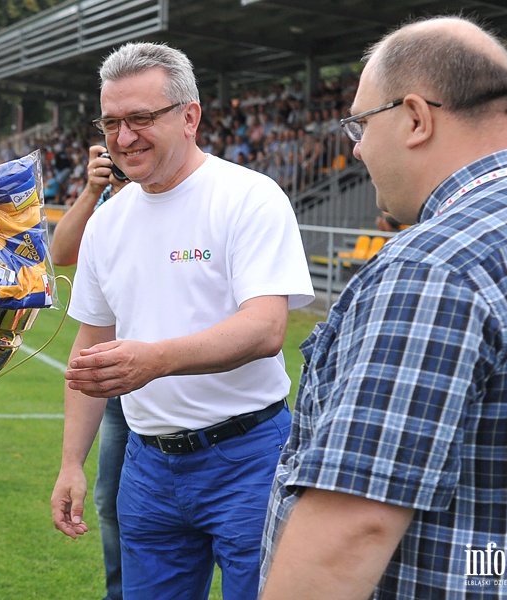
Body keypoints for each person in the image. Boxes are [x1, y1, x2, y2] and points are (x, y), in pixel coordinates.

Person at [260, 16, 507, 599]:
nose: (356, 146)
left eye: (360, 122)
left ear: (415, 118)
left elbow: (351, 531)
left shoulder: (434, 266)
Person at [50, 42, 314, 599]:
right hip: (148, 465)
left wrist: (155, 360)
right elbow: (90, 346)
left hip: (249, 456)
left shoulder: (248, 197)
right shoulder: (106, 222)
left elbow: (266, 328)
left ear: (189, 116)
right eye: (112, 122)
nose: (124, 138)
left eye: (142, 119)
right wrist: (72, 463)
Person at [49, 144, 130, 600]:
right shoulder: (106, 208)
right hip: (115, 379)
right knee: (109, 499)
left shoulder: (171, 192)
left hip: (167, 373)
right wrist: (93, 188)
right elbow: (59, 253)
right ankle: (120, 592)